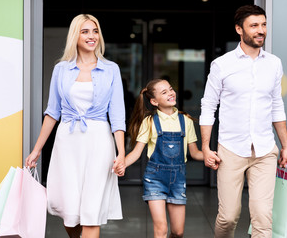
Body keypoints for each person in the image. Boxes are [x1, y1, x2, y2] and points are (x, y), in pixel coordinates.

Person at [25, 14, 125, 238]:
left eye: (95, 31)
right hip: (67, 143)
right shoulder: (61, 69)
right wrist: (36, 150)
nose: (92, 36)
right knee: (70, 215)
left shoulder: (111, 69)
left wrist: (121, 153)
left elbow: (117, 115)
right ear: (75, 36)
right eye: (85, 31)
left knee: (91, 212)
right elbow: (52, 112)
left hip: (99, 141)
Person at [199, 5, 287, 238]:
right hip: (231, 150)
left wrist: (285, 144)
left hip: (264, 150)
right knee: (228, 217)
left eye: (263, 25)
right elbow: (208, 106)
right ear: (239, 29)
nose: (261, 31)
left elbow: (276, 105)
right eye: (254, 26)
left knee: (262, 216)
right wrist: (206, 147)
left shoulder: (274, 63)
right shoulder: (222, 65)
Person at [115, 78, 203, 238]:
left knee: (178, 232)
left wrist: (213, 155)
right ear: (154, 101)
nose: (171, 93)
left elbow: (195, 153)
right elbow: (136, 152)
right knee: (161, 229)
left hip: (178, 180)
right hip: (154, 179)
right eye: (164, 92)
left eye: (170, 89)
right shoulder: (149, 122)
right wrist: (122, 163)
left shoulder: (186, 120)